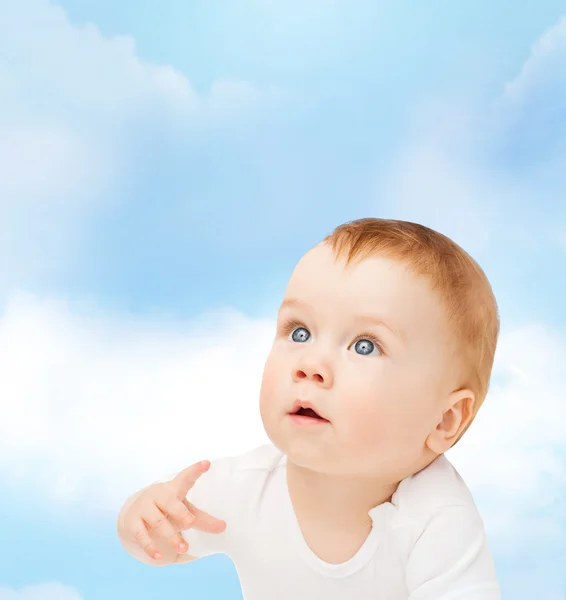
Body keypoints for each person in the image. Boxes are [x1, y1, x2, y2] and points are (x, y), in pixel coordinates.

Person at [117, 218, 501, 599]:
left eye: (365, 345)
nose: (311, 363)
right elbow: (164, 548)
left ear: (445, 419)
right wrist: (144, 518)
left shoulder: (437, 520)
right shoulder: (248, 486)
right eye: (299, 332)